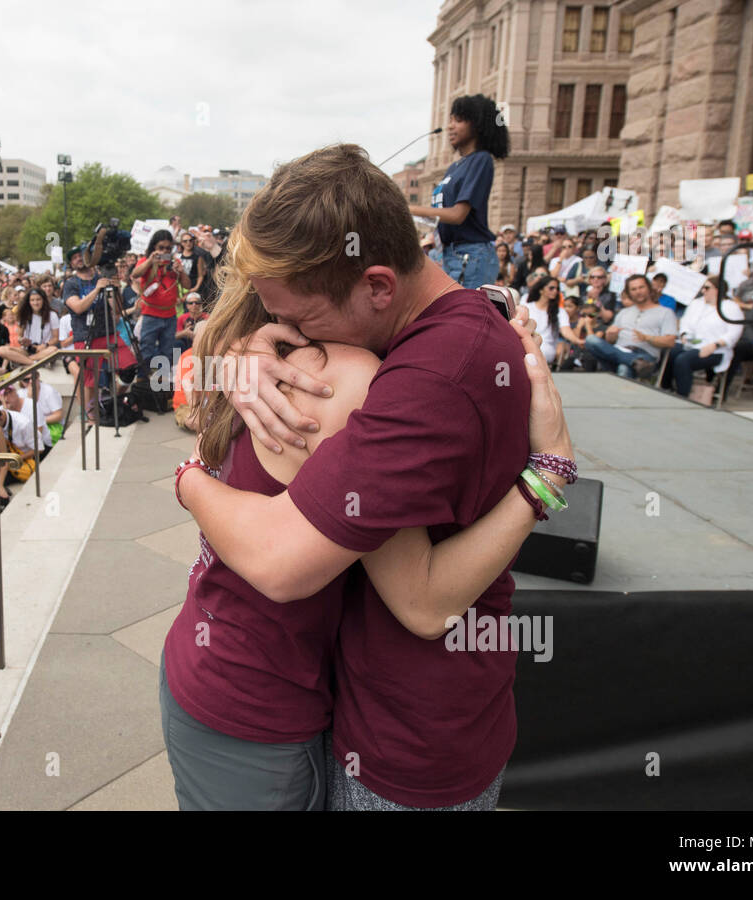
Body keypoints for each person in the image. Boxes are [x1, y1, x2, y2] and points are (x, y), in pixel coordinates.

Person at [170, 143, 571, 810]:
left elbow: (413, 600)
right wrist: (241, 343)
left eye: (300, 319)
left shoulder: (416, 382)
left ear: (379, 285)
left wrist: (546, 481)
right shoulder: (413, 336)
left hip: (408, 743)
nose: (286, 335)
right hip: (369, 716)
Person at [424, 94, 511, 289]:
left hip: (470, 256)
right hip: (448, 254)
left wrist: (407, 208)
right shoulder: (454, 168)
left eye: (459, 120)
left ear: (477, 125)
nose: (450, 126)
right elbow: (438, 216)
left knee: (462, 318)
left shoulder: (481, 160)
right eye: (450, 120)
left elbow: (457, 215)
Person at [582, 274, 678, 378]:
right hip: (618, 350)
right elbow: (610, 341)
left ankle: (632, 362)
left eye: (641, 287)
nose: (638, 291)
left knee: (623, 367)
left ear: (649, 288)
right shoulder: (624, 312)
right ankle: (633, 361)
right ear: (629, 293)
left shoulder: (665, 312)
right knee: (591, 339)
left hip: (645, 356)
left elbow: (670, 342)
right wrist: (611, 335)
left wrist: (647, 338)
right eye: (633, 289)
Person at [662, 277, 744, 397]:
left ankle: (682, 395)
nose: (703, 291)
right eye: (703, 288)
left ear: (717, 290)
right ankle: (666, 387)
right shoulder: (697, 303)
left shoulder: (731, 308)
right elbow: (686, 322)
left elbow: (734, 333)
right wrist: (684, 334)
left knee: (683, 360)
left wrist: (715, 345)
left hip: (716, 349)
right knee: (670, 352)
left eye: (707, 288)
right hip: (692, 343)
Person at [133, 229, 185, 386]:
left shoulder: (175, 262)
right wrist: (151, 260)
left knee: (167, 352)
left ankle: (161, 386)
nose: (164, 251)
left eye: (168, 248)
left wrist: (181, 272)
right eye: (161, 248)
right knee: (146, 350)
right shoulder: (146, 261)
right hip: (150, 314)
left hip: (169, 315)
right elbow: (135, 274)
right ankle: (142, 382)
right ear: (154, 247)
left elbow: (187, 284)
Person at [525, 278, 582, 365]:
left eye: (557, 289)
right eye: (551, 288)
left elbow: (566, 330)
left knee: (534, 356)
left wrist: (577, 341)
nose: (555, 291)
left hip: (546, 348)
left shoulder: (560, 311)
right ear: (541, 290)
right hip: (526, 344)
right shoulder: (527, 306)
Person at [0, 289, 60, 367]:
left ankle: (25, 360)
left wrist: (45, 345)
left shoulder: (52, 315)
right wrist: (22, 340)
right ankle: (33, 362)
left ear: (43, 300)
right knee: (2, 350)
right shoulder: (24, 314)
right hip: (27, 349)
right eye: (32, 300)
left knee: (54, 350)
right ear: (28, 302)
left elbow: (56, 338)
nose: (35, 303)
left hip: (43, 349)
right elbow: (20, 336)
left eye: (38, 299)